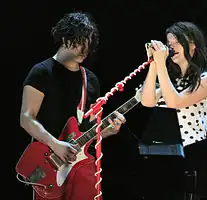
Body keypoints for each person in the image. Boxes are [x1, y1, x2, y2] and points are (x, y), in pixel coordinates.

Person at [19, 11, 126, 200]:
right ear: (65, 38)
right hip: (49, 163)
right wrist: (56, 144)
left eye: (89, 43)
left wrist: (108, 130)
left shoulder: (90, 80)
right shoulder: (41, 72)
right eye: (80, 41)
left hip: (82, 168)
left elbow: (88, 131)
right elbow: (26, 118)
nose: (85, 49)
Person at [140, 21, 207, 199]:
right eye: (169, 44)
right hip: (165, 154)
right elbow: (147, 101)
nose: (171, 47)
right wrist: (154, 63)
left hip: (191, 154)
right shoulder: (172, 81)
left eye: (176, 41)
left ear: (192, 44)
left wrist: (161, 64)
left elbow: (175, 102)